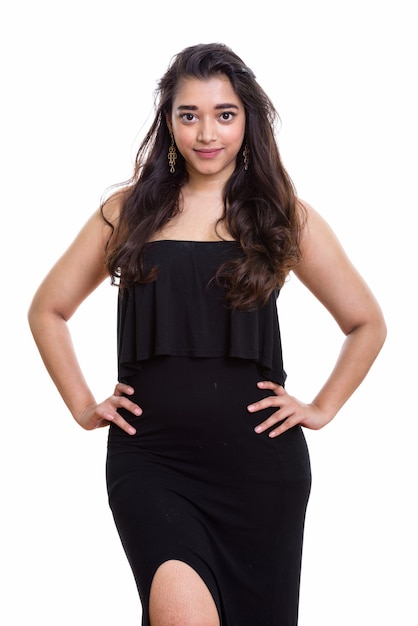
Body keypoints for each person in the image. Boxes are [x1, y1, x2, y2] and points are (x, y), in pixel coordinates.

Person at [28, 42, 386, 626]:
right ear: (168, 122)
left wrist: (322, 407)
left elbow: (366, 322)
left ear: (248, 120)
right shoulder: (127, 212)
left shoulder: (280, 214)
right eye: (188, 114)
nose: (205, 132)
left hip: (260, 469)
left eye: (224, 113)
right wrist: (80, 405)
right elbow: (48, 309)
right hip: (152, 460)